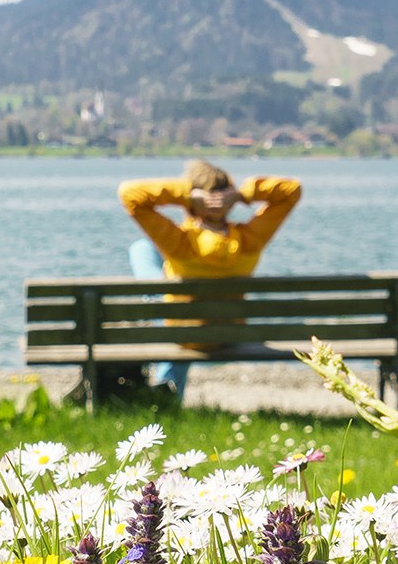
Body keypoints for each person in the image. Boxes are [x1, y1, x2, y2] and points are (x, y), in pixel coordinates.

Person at [118, 160, 302, 400]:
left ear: (195, 199)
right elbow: (291, 190)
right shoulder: (250, 240)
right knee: (148, 253)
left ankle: (169, 392)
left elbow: (129, 194)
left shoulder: (180, 243)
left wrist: (185, 196)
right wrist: (242, 195)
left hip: (185, 335)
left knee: (142, 251)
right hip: (229, 333)